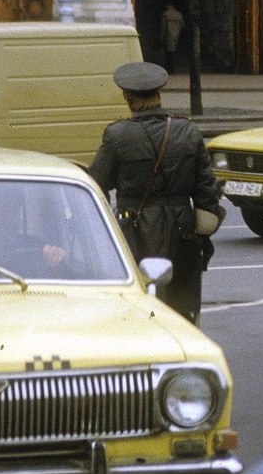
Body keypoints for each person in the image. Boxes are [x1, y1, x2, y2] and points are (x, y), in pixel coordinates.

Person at [88, 61, 223, 324]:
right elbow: (206, 191)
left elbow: (96, 184)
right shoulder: (187, 131)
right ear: (159, 94)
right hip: (182, 230)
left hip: (133, 227)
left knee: (135, 303)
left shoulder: (117, 135)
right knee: (181, 308)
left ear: (127, 97)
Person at [160, 4, 185, 74]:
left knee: (169, 52)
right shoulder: (178, 14)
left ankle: (169, 68)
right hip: (176, 34)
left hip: (168, 35)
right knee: (173, 51)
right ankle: (172, 68)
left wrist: (161, 36)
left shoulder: (165, 14)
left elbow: (163, 26)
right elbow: (182, 25)